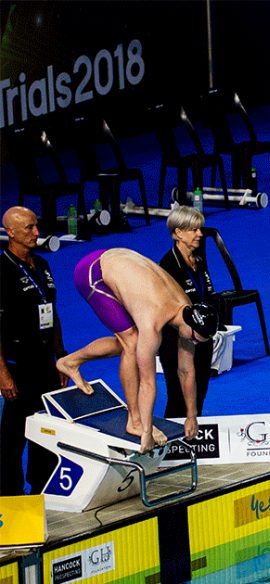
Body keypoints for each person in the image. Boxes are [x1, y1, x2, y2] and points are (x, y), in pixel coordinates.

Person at [56, 248, 219, 452]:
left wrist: (191, 415)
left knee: (127, 341)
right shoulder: (151, 323)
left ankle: (69, 362)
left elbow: (186, 370)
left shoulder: (187, 309)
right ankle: (134, 421)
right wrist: (146, 431)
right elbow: (147, 383)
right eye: (195, 339)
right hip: (92, 272)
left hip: (119, 263)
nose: (194, 344)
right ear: (189, 326)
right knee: (131, 342)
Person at [1, 207, 65, 495]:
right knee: (14, 435)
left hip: (45, 362)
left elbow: (51, 312)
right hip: (18, 364)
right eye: (28, 228)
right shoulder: (2, 270)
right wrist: (3, 374)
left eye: (36, 226)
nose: (36, 233)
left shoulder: (42, 265)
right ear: (10, 232)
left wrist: (61, 357)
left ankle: (41, 487)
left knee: (47, 427)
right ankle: (10, 495)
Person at [158, 207, 216, 418]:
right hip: (177, 340)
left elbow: (207, 293)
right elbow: (165, 307)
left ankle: (193, 436)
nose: (199, 234)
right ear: (178, 233)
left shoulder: (198, 260)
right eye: (193, 230)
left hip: (202, 337)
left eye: (199, 229)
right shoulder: (168, 265)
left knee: (199, 392)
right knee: (178, 396)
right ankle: (173, 444)